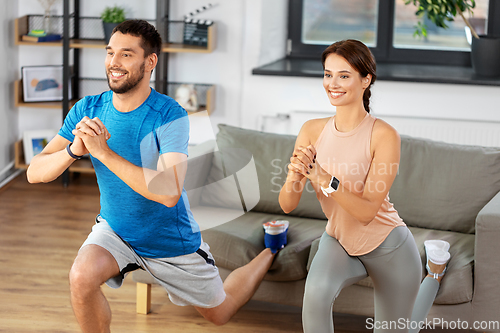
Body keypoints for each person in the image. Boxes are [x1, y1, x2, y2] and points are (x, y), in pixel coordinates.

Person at [27, 20, 286, 333]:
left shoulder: (169, 115)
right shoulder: (88, 108)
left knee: (221, 312)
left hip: (170, 241)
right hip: (116, 230)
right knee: (81, 277)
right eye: (110, 53)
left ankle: (271, 248)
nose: (113, 63)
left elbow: (168, 193)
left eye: (126, 55)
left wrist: (103, 152)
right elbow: (34, 172)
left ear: (150, 62)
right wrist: (73, 151)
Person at [278, 39, 450, 333]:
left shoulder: (383, 135)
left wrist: (324, 179)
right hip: (339, 241)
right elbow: (287, 204)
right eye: (328, 74)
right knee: (315, 296)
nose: (333, 83)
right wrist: (296, 175)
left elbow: (368, 211)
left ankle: (435, 272)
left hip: (389, 246)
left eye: (344, 75)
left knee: (403, 328)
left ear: (365, 79)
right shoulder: (311, 130)